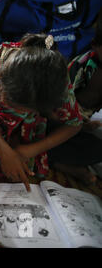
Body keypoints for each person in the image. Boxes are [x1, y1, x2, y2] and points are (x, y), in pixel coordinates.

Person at [0, 34, 83, 191]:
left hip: (31, 126)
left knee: (88, 148)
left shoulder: (55, 80)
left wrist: (29, 150)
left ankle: (47, 159)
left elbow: (75, 124)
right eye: (13, 104)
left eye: (26, 108)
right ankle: (52, 161)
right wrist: (4, 150)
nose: (17, 111)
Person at [48, 10, 102, 184]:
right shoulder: (81, 68)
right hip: (53, 119)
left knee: (97, 149)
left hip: (76, 124)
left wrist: (82, 125)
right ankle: (59, 163)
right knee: (38, 140)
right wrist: (74, 124)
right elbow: (53, 107)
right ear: (95, 46)